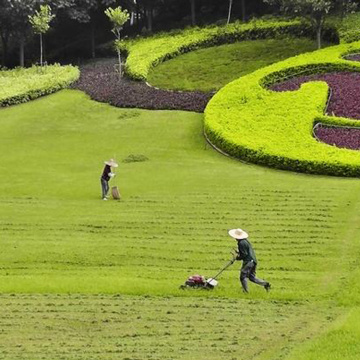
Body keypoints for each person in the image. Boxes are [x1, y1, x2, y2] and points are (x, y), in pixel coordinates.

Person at [228, 228, 271, 293]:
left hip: (248, 261)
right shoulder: (245, 241)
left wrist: (237, 257)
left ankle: (245, 291)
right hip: (253, 261)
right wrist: (238, 253)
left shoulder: (241, 243)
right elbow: (245, 252)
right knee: (251, 277)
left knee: (243, 276)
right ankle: (265, 284)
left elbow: (244, 255)